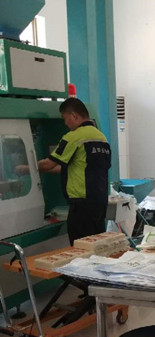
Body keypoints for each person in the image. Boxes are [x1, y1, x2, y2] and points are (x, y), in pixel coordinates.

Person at [37, 98, 111, 245]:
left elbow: (46, 165)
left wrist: (27, 166)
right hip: (100, 202)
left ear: (74, 115)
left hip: (82, 206)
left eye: (65, 119)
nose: (65, 123)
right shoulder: (101, 137)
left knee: (81, 248)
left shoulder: (74, 137)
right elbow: (77, 167)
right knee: (97, 246)